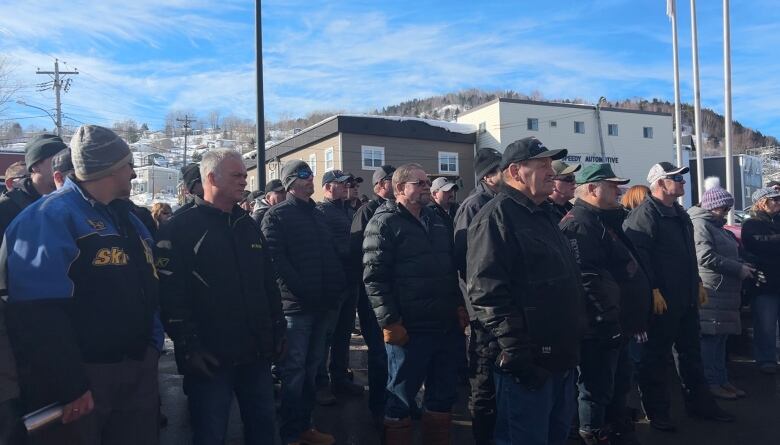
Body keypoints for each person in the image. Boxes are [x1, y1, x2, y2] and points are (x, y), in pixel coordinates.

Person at [2, 125, 162, 444]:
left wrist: (152, 346)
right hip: (85, 381)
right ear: (109, 169)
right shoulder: (49, 217)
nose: (133, 173)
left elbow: (149, 288)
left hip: (136, 371)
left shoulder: (129, 221)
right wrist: (69, 384)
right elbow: (37, 312)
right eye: (128, 165)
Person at [156, 149, 285, 445]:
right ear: (211, 178)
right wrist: (188, 346)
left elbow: (268, 283)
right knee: (210, 433)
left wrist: (278, 329)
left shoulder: (248, 225)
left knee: (264, 428)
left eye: (245, 175)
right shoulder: (178, 228)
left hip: (256, 354)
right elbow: (170, 296)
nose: (245, 181)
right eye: (237, 175)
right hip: (210, 360)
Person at [468, 137, 584, 445]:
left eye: (550, 164)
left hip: (560, 357)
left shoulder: (545, 214)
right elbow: (486, 293)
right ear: (516, 172)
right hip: (529, 365)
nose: (551, 171)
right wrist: (519, 355)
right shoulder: (496, 217)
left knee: (555, 435)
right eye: (542, 164)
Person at [624, 162, 734, 432]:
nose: (683, 183)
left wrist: (696, 281)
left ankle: (700, 404)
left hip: (684, 298)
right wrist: (652, 291)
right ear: (661, 183)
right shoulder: (644, 215)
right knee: (656, 358)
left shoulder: (679, 213)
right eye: (677, 179)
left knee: (691, 354)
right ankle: (657, 411)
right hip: (661, 303)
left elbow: (687, 254)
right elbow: (640, 259)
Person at [363, 163, 467, 445]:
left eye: (425, 183)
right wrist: (390, 322)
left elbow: (448, 269)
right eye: (419, 184)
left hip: (444, 325)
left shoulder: (436, 219)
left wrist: (458, 305)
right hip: (410, 329)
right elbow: (374, 279)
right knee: (400, 397)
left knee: (443, 395)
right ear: (399, 189)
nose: (425, 188)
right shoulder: (383, 222)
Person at [559, 164, 651, 445]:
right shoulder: (579, 224)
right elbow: (585, 278)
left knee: (618, 382)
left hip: (618, 323)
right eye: (612, 186)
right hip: (599, 327)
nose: (618, 190)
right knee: (595, 387)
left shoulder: (603, 220)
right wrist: (605, 319)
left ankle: (613, 427)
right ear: (591, 188)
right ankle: (592, 434)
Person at [261, 160, 346, 445]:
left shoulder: (318, 214)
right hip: (296, 308)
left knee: (311, 371)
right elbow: (276, 263)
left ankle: (306, 426)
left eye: (310, 173)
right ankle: (289, 434)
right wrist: (303, 292)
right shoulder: (276, 216)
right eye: (303, 174)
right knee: (293, 373)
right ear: (289, 183)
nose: (310, 178)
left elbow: (331, 256)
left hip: (322, 306)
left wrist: (335, 290)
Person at [452, 147, 502, 445]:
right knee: (482, 373)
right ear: (488, 176)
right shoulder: (473, 206)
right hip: (481, 302)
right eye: (501, 170)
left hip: (498, 302)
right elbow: (461, 257)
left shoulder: (500, 201)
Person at [689, 187, 754, 398]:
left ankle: (722, 380)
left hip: (723, 291)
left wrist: (743, 264)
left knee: (720, 340)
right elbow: (704, 256)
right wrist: (738, 269)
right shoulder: (701, 224)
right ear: (712, 206)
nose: (726, 211)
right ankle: (712, 383)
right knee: (710, 340)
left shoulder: (717, 226)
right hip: (712, 291)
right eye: (723, 207)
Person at [349, 165, 395, 425]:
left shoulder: (399, 209)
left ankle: (396, 401)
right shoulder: (366, 211)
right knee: (379, 353)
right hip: (371, 295)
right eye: (391, 180)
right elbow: (357, 252)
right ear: (379, 185)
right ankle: (378, 406)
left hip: (395, 294)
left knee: (395, 352)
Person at [316, 170, 364, 403]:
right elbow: (327, 248)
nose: (347, 186)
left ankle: (340, 378)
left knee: (343, 335)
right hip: (334, 285)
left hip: (351, 281)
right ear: (327, 187)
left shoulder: (349, 211)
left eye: (348, 183)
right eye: (341, 183)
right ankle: (320, 383)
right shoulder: (321, 212)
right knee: (326, 336)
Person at [741, 187, 780, 375]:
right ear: (762, 202)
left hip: (774, 278)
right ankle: (766, 359)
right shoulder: (752, 224)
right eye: (775, 199)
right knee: (766, 324)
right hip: (764, 283)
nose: (778, 202)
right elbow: (757, 244)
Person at [0, 134, 64, 233]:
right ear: (34, 166)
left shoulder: (68, 200)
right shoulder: (6, 207)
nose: (63, 165)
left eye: (65, 159)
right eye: (56, 160)